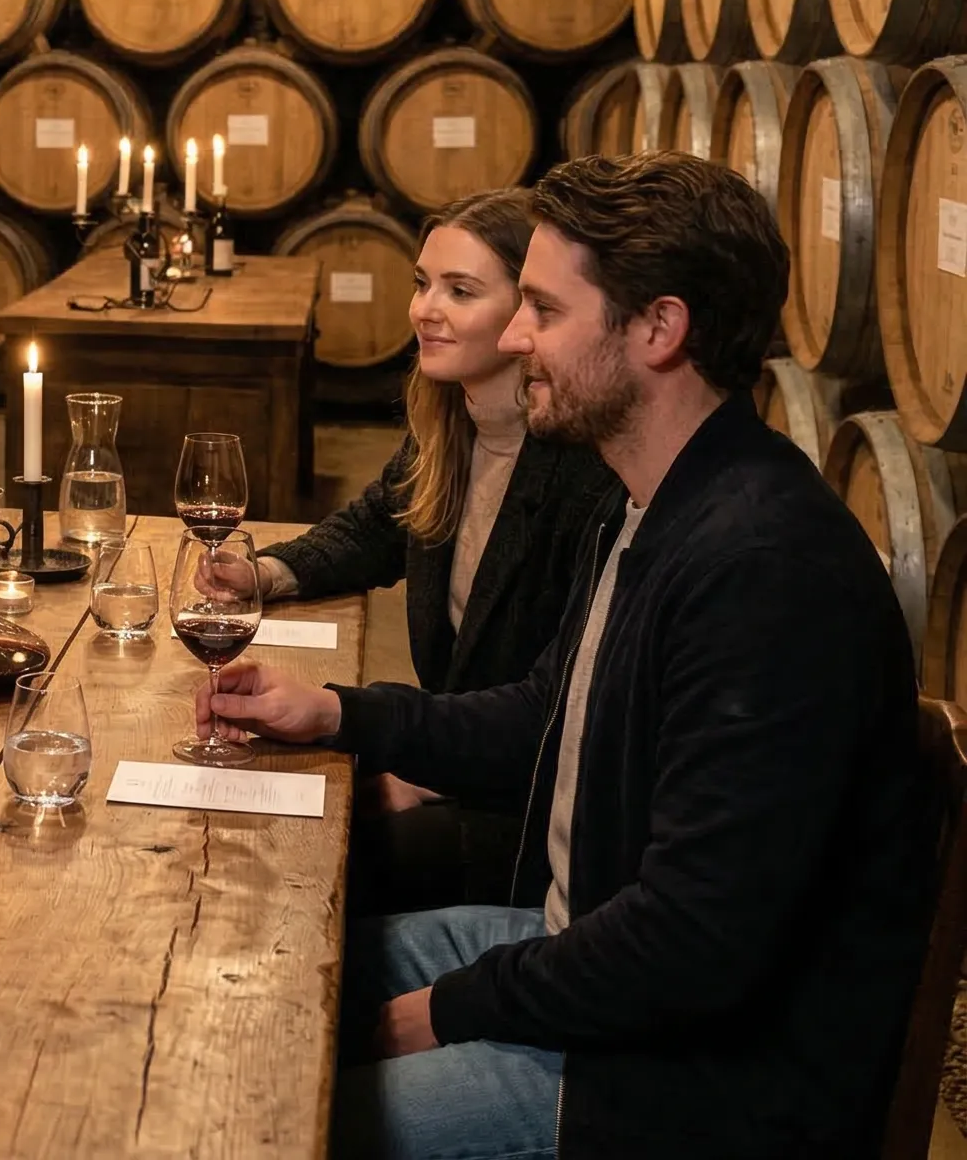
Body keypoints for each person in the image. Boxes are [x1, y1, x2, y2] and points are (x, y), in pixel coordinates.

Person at [207, 152, 932, 1160]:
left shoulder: (762, 569)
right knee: (256, 961)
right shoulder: (655, 505)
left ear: (658, 329)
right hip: (583, 954)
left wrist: (443, 1011)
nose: (514, 336)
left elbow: (690, 945)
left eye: (542, 309)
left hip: (688, 1082)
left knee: (268, 1107)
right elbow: (545, 714)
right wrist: (338, 713)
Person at [258, 190, 617, 913]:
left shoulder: (583, 468)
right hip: (460, 756)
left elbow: (562, 713)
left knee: (296, 863)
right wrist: (265, 571)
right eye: (423, 284)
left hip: (528, 816)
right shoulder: (452, 422)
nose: (425, 309)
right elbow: (376, 528)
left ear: (527, 316)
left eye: (461, 291)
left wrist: (418, 776)